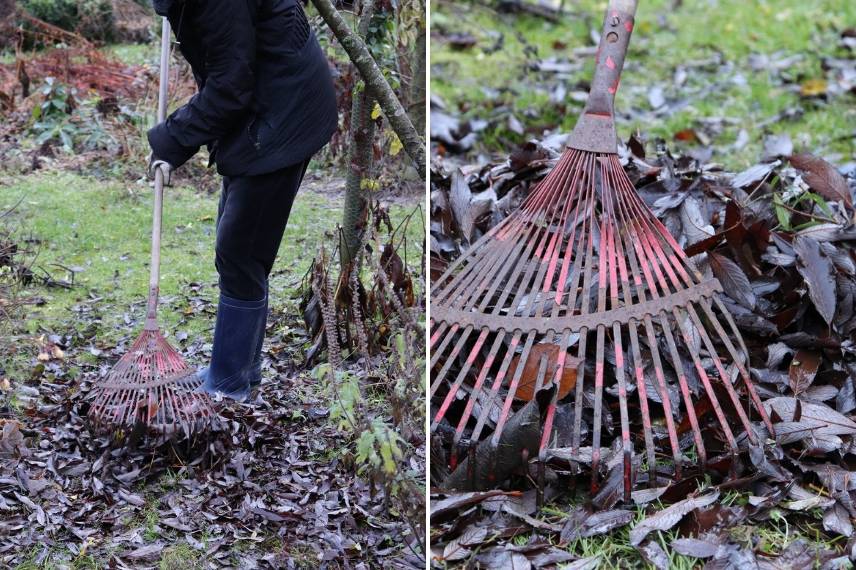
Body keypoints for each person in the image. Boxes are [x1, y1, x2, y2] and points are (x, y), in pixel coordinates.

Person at [148, 0, 338, 401]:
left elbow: (230, 86)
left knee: (240, 251)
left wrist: (172, 137)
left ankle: (231, 383)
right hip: (264, 106)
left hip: (283, 115)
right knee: (238, 249)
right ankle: (235, 369)